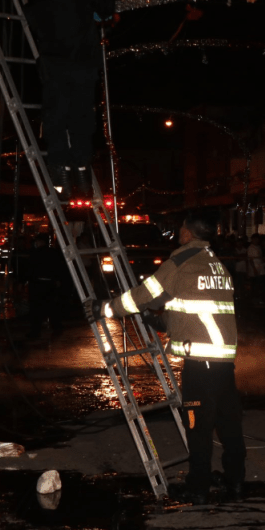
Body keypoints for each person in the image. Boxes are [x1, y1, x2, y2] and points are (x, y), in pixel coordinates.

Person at [99, 213, 245, 504]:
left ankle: (198, 488)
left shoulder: (179, 262)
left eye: (180, 228)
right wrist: (164, 323)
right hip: (223, 362)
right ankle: (235, 481)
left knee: (198, 427)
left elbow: (141, 296)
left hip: (200, 363)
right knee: (229, 425)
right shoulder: (217, 266)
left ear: (188, 233)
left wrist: (106, 309)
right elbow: (201, 310)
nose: (178, 233)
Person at [23, 0, 114, 201]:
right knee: (81, 117)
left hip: (54, 70)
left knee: (56, 117)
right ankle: (82, 169)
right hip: (83, 66)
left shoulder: (33, 9)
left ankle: (59, 170)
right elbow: (105, 10)